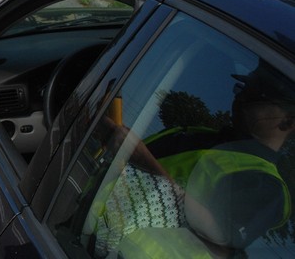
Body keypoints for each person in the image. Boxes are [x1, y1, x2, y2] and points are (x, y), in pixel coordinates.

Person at [94, 61, 295, 258]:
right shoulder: (204, 137)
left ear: (289, 121)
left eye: (256, 95)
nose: (241, 96)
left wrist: (141, 159)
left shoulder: (268, 188)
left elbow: (220, 241)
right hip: (91, 233)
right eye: (244, 87)